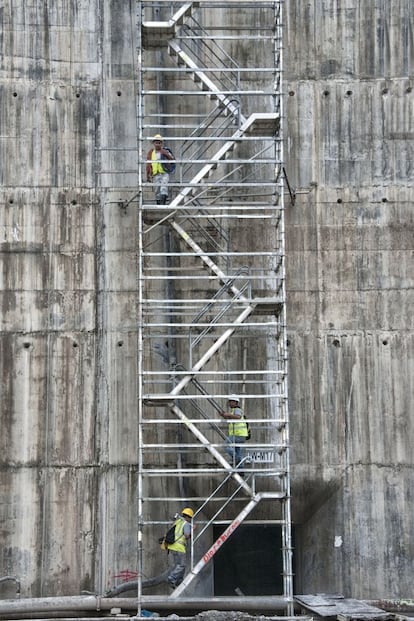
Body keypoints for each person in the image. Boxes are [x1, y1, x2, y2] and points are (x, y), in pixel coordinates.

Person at [166, 507, 194, 589]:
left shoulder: (178, 522)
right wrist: (192, 529)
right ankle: (172, 578)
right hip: (179, 547)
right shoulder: (186, 524)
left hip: (172, 546)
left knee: (179, 565)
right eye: (191, 518)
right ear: (189, 517)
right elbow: (186, 536)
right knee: (182, 565)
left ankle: (178, 581)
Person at [219, 395, 249, 467]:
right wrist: (224, 415)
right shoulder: (233, 411)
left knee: (226, 445)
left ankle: (237, 459)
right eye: (229, 401)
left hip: (238, 435)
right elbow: (232, 417)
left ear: (236, 402)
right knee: (238, 451)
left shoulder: (237, 410)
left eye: (231, 401)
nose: (229, 403)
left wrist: (228, 414)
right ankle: (241, 470)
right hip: (240, 435)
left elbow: (238, 417)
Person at [146, 134, 175, 205]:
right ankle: (158, 203)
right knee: (157, 190)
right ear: (153, 143)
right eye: (156, 142)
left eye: (159, 143)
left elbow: (172, 159)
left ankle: (163, 203)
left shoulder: (165, 151)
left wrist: (166, 154)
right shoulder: (151, 153)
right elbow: (148, 164)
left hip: (164, 172)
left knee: (164, 187)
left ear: (161, 143)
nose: (158, 144)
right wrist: (148, 175)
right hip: (155, 174)